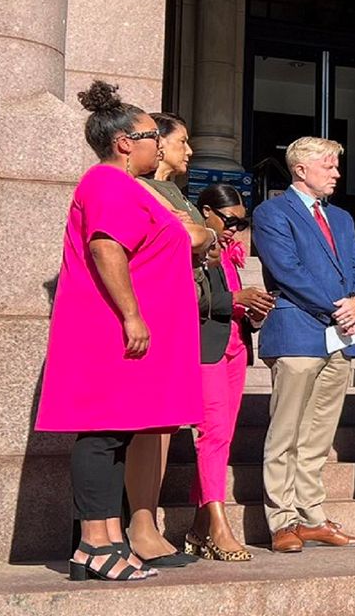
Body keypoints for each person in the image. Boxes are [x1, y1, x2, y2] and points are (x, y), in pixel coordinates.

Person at [35, 80, 201, 581]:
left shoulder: (125, 186)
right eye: (153, 134)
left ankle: (105, 541)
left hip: (125, 331)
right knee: (101, 435)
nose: (159, 143)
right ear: (124, 141)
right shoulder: (108, 183)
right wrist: (131, 314)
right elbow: (107, 247)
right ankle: (94, 541)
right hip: (110, 329)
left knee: (114, 434)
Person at [253, 136, 355, 553]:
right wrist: (336, 307)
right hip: (298, 331)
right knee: (286, 432)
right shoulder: (271, 212)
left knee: (319, 435)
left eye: (337, 166)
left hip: (340, 338)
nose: (337, 173)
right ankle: (282, 520)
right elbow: (287, 270)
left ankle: (312, 516)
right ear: (301, 169)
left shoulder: (341, 217)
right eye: (329, 165)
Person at [123, 111, 213, 566]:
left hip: (180, 310)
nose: (188, 151)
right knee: (146, 424)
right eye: (181, 141)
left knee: (163, 423)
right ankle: (139, 524)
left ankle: (146, 520)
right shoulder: (136, 187)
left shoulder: (174, 192)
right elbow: (190, 236)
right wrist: (197, 234)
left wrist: (201, 233)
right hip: (152, 309)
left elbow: (205, 240)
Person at [183, 184, 275, 561]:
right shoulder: (195, 246)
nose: (236, 228)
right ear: (206, 212)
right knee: (214, 434)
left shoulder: (232, 252)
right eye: (230, 220)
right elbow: (189, 297)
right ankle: (218, 526)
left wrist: (252, 312)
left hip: (235, 348)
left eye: (242, 221)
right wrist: (236, 299)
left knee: (223, 436)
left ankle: (198, 526)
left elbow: (232, 305)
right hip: (207, 350)